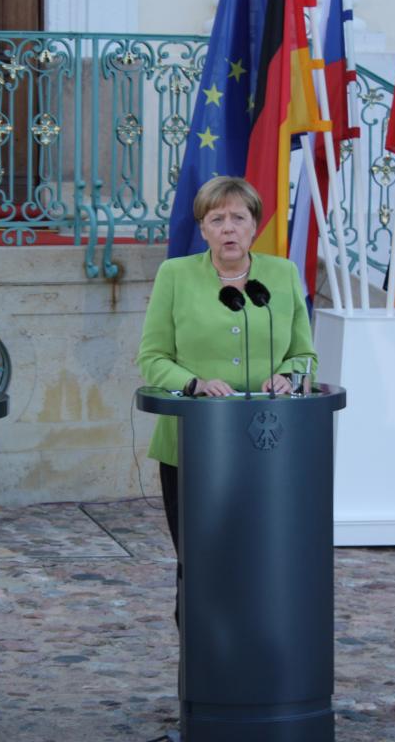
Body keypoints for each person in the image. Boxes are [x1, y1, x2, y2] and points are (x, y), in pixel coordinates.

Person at [137, 176, 316, 622]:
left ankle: (262, 639)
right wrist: (194, 383)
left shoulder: (283, 274)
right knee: (201, 558)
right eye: (217, 219)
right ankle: (201, 656)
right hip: (194, 444)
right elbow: (153, 357)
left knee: (264, 555)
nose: (229, 228)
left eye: (239, 217)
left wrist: (290, 377)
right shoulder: (175, 275)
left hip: (269, 443)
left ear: (255, 225)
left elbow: (304, 354)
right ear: (202, 229)